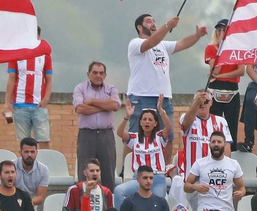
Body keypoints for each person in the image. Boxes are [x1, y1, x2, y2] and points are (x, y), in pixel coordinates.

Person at [126, 12, 207, 125]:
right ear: (139, 27)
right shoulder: (135, 43)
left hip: (163, 98)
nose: (153, 23)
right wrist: (168, 26)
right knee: (138, 138)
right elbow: (151, 42)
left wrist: (197, 35)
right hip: (142, 97)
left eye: (154, 21)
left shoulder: (163, 45)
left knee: (167, 137)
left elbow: (182, 43)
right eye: (149, 21)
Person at [72, 62, 122, 191]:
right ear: (88, 74)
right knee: (85, 171)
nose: (98, 75)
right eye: (95, 73)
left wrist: (93, 102)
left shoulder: (111, 89)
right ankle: (84, 204)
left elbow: (115, 106)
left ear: (105, 75)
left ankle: (108, 206)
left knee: (108, 172)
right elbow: (80, 108)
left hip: (106, 135)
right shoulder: (80, 88)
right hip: (86, 135)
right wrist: (104, 106)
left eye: (101, 73)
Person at [6, 29, 53, 144]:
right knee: (23, 143)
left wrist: (46, 98)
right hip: (20, 104)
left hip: (38, 105)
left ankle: (43, 161)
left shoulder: (45, 56)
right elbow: (11, 79)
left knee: (43, 140)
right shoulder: (16, 55)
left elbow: (49, 80)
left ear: (38, 35)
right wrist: (7, 102)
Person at [116, 105, 170, 199]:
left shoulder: (159, 137)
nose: (147, 122)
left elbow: (169, 128)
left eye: (150, 119)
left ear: (155, 123)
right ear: (140, 122)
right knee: (118, 191)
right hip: (139, 178)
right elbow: (119, 132)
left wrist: (161, 110)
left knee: (156, 203)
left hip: (157, 177)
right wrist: (127, 117)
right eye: (144, 119)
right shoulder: (134, 138)